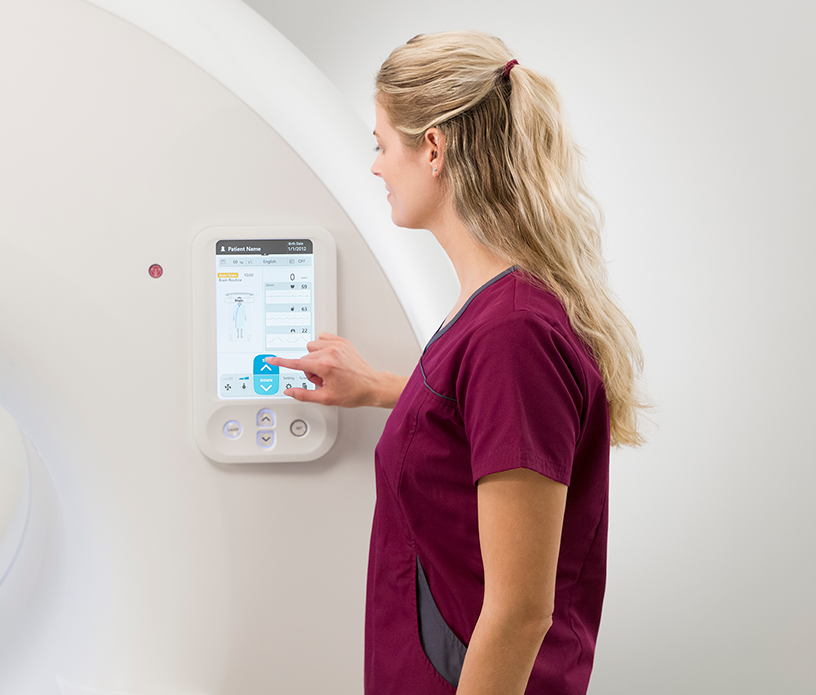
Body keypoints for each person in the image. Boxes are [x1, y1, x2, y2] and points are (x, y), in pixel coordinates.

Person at [267, 30, 646, 695]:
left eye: (382, 145)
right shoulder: (494, 309)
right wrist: (381, 387)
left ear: (434, 149)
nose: (377, 167)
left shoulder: (513, 333)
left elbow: (520, 612)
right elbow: (476, 419)